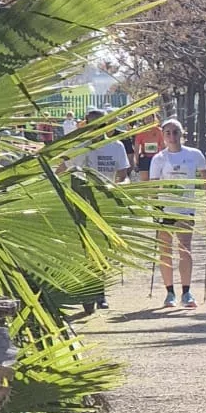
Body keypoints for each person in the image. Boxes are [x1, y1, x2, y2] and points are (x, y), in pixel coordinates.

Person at [147, 118, 206, 311]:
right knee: (165, 251)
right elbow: (153, 185)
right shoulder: (158, 158)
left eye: (175, 132)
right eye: (168, 133)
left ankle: (186, 291)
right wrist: (154, 206)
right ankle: (169, 292)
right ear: (163, 135)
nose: (172, 136)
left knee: (185, 249)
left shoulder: (194, 154)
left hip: (185, 209)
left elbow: (205, 178)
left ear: (181, 134)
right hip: (166, 210)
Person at [71, 110, 130, 313]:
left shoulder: (116, 146)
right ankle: (89, 291)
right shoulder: (80, 146)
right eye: (93, 123)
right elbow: (65, 167)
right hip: (83, 203)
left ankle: (100, 291)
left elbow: (122, 174)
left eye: (101, 123)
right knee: (86, 250)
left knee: (104, 250)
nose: (97, 127)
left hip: (106, 206)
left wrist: (119, 188)